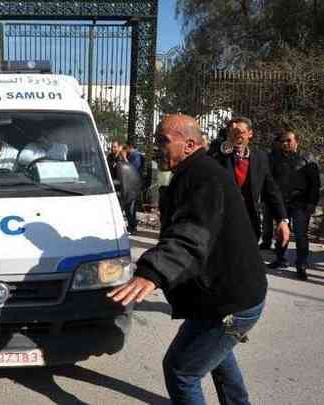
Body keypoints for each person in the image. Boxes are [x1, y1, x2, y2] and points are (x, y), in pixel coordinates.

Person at [109, 114, 267, 405]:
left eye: (163, 141)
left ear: (190, 144)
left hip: (231, 305)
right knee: (219, 356)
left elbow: (190, 235)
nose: (156, 147)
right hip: (221, 300)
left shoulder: (204, 177)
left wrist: (152, 271)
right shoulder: (194, 173)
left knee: (181, 371)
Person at [212, 117, 289, 246]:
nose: (237, 136)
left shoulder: (260, 158)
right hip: (222, 222)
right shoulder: (220, 155)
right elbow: (211, 157)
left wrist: (282, 219)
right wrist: (227, 141)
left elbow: (271, 190)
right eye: (233, 133)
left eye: (241, 132)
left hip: (249, 221)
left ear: (250, 134)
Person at [269, 130, 321, 279]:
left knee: (300, 235)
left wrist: (312, 203)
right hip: (281, 203)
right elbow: (270, 181)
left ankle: (301, 264)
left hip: (301, 203)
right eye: (283, 141)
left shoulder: (307, 159)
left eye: (289, 141)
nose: (285, 144)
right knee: (280, 233)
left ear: (296, 142)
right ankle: (280, 259)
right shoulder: (276, 159)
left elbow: (315, 184)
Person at [113, 146, 141, 234]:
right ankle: (132, 227)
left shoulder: (123, 166)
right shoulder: (127, 166)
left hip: (127, 190)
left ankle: (132, 227)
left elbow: (121, 180)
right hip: (130, 190)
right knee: (129, 211)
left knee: (129, 211)